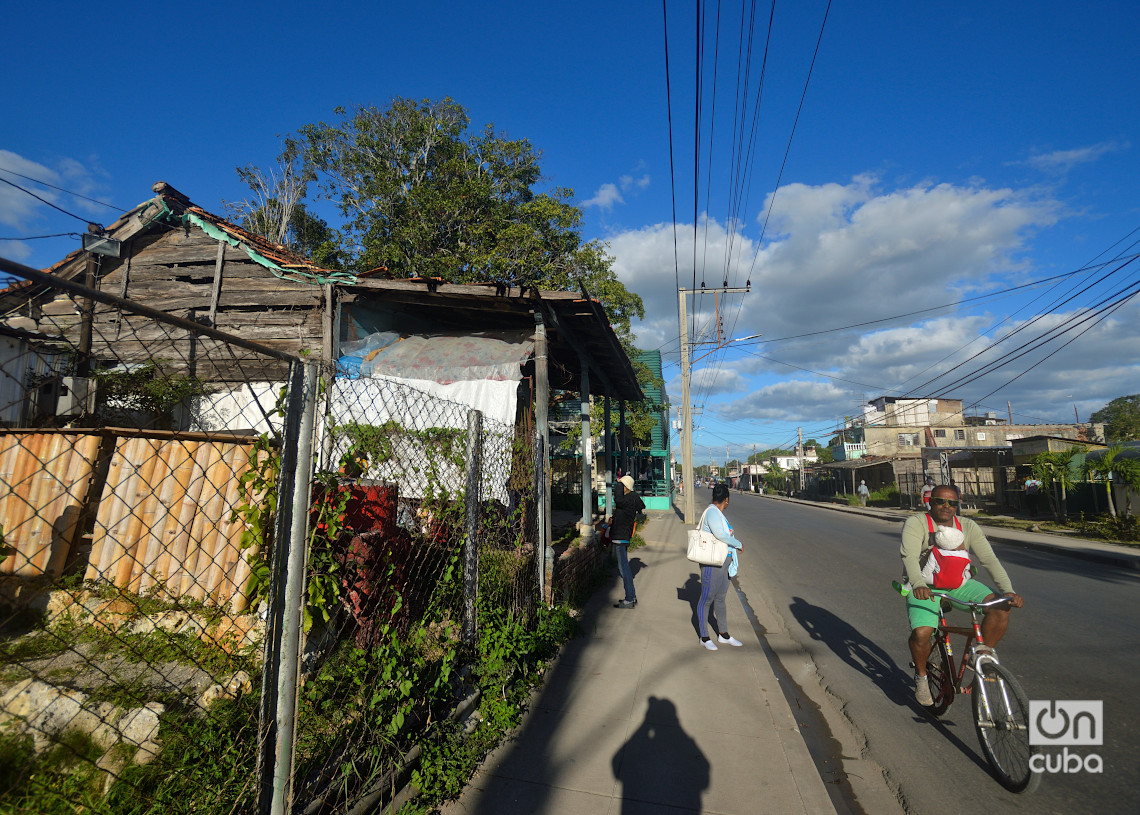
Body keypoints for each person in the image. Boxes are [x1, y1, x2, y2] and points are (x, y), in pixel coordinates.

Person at [900, 485, 1024, 706]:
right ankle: (921, 677)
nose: (946, 507)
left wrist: (1008, 590)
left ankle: (983, 652)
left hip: (959, 584)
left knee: (1001, 606)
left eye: (953, 503)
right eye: (940, 501)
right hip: (925, 587)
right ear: (930, 501)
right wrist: (918, 584)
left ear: (959, 504)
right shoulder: (917, 523)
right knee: (922, 633)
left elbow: (989, 560)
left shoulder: (968, 526)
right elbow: (909, 556)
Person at [697, 483, 744, 650]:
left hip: (724, 561)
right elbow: (720, 535)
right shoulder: (712, 512)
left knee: (720, 598)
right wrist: (738, 543)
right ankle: (704, 637)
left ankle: (723, 634)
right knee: (707, 598)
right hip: (713, 561)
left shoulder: (718, 513)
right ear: (727, 500)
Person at [610, 474, 645, 609]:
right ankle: (631, 596)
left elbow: (617, 500)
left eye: (621, 486)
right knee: (624, 566)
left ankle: (629, 598)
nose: (618, 488)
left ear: (625, 487)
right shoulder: (633, 499)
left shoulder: (627, 500)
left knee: (623, 568)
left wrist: (619, 483)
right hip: (624, 536)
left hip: (621, 536)